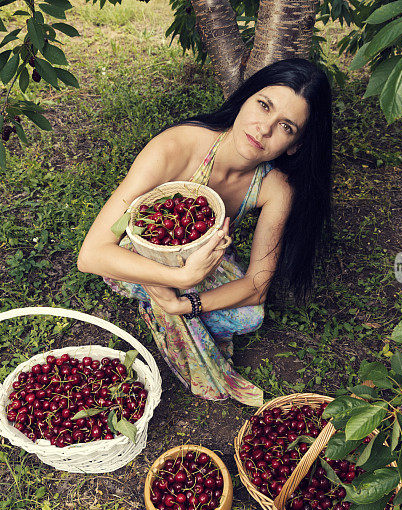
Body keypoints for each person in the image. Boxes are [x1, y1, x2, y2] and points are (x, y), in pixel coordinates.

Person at [77, 58, 333, 407]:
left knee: (248, 317)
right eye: (263, 105)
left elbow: (257, 288)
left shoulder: (275, 188)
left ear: (296, 145)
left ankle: (161, 302)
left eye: (286, 126)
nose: (263, 130)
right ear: (244, 98)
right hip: (138, 253)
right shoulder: (177, 147)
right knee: (148, 272)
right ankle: (160, 301)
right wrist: (181, 274)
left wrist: (183, 303)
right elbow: (92, 254)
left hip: (202, 255)